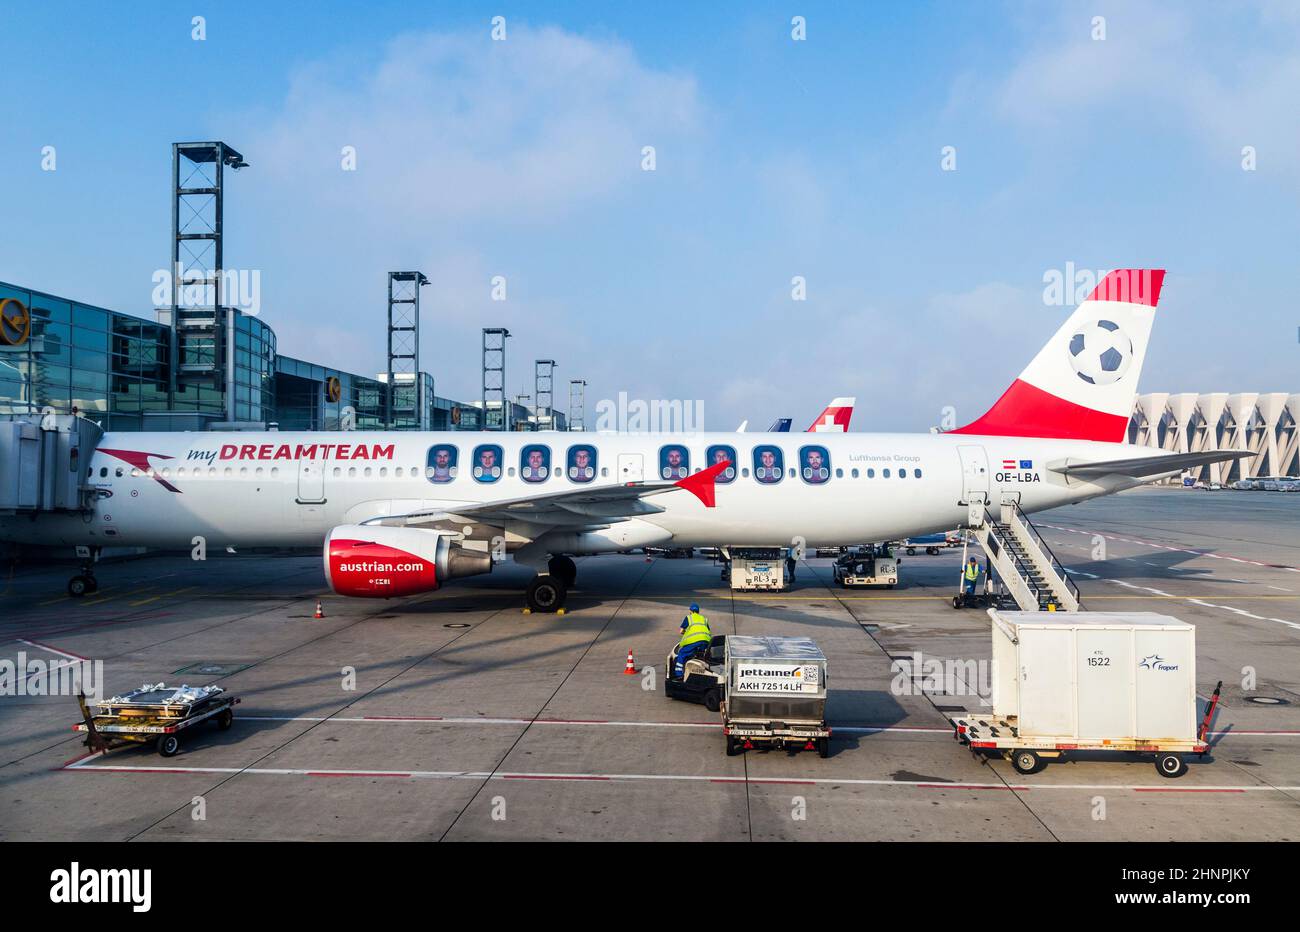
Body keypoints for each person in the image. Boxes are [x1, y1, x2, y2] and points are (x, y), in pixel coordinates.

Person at [673, 603, 712, 678]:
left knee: (682, 653)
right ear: (698, 611)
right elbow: (708, 631)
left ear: (690, 611)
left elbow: (681, 631)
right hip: (706, 641)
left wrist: (687, 632)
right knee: (701, 655)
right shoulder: (704, 619)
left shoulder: (689, 618)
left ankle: (679, 674)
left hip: (694, 641)